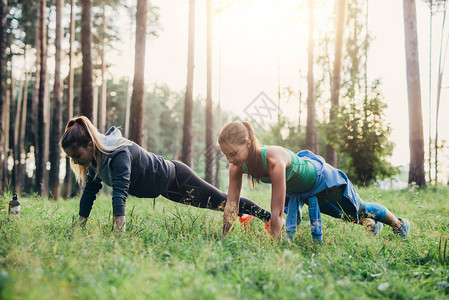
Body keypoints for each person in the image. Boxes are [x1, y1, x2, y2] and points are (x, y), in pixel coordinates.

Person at [60, 116, 271, 231]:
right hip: (167, 190)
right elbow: (88, 194)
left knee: (224, 202)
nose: (76, 161)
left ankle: (269, 218)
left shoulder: (117, 153)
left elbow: (119, 194)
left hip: (178, 178)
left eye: (77, 155)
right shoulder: (96, 162)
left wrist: (119, 233)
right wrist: (78, 226)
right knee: (220, 205)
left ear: (90, 144)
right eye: (72, 158)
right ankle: (245, 217)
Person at [217, 121, 411, 242]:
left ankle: (399, 224)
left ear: (248, 144)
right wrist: (225, 238)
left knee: (358, 208)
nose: (230, 160)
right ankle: (372, 225)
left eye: (234, 153)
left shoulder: (273, 160)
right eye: (226, 155)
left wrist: (275, 249)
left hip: (322, 178)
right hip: (300, 189)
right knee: (344, 216)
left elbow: (276, 213)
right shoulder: (236, 166)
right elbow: (231, 205)